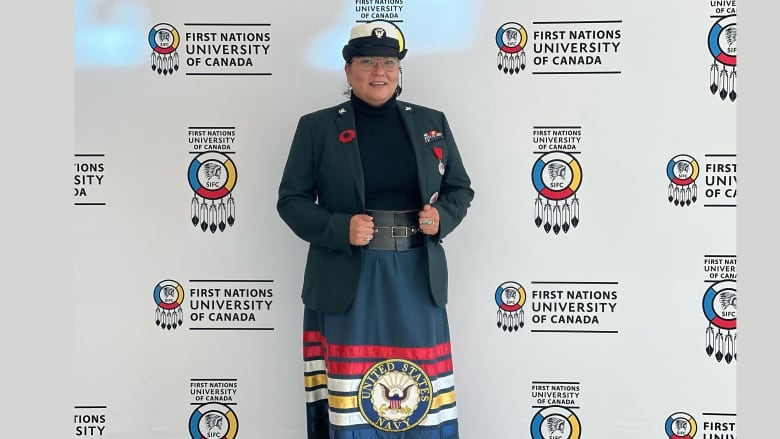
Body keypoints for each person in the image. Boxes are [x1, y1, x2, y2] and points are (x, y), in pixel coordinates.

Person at [277, 20, 474, 439]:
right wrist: (337, 226)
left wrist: (443, 219)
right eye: (366, 61)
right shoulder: (317, 127)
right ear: (348, 71)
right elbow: (290, 201)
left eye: (388, 61)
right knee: (353, 399)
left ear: (399, 71)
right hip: (347, 277)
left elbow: (460, 188)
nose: (378, 71)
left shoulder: (430, 122)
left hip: (416, 277)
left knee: (416, 394)